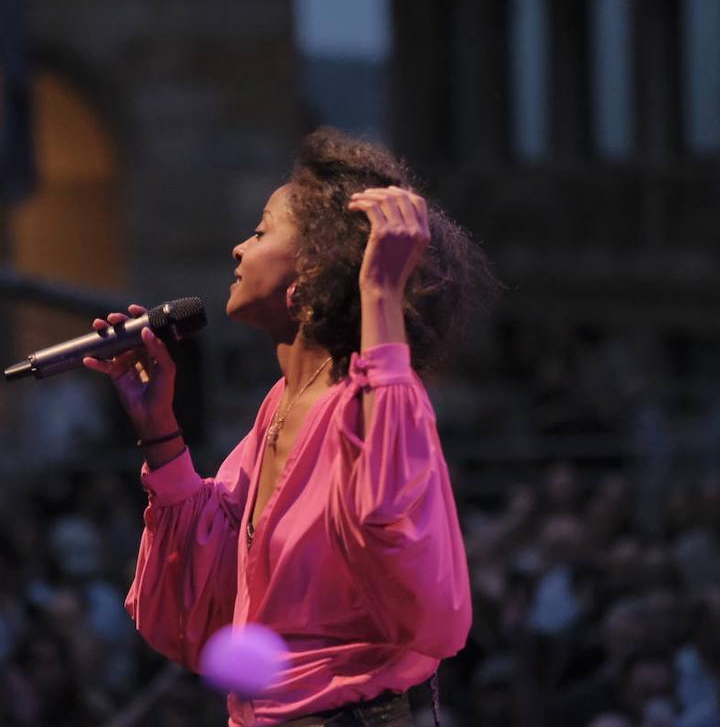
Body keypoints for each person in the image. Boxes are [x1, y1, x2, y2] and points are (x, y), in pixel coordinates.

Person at [83, 127, 498, 726]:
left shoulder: (371, 404)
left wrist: (380, 290)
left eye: (259, 231)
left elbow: (393, 524)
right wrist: (160, 430)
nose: (238, 250)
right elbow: (215, 593)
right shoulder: (281, 401)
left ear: (313, 271)